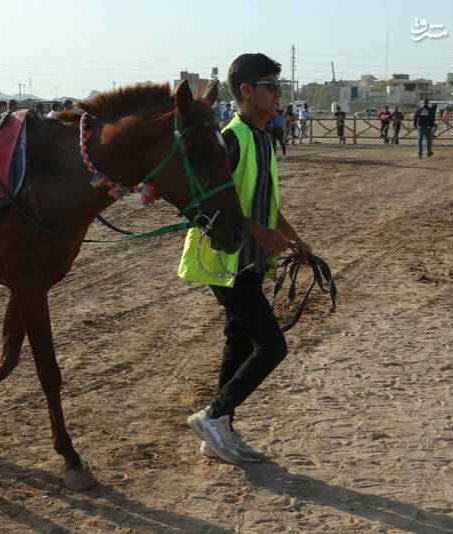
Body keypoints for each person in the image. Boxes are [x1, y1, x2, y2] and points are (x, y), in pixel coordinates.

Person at [179, 53, 313, 464]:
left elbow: (264, 200)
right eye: (271, 85)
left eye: (279, 85)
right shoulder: (232, 138)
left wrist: (294, 239)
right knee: (272, 347)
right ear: (246, 91)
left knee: (238, 345)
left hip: (250, 263)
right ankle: (213, 416)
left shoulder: (264, 138)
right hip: (224, 261)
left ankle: (219, 432)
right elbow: (213, 201)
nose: (278, 93)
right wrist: (260, 231)